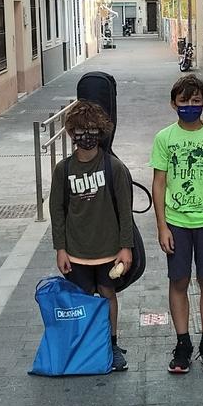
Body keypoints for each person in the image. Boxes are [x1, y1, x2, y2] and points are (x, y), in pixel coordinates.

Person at [151, 75, 203, 374]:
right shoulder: (165, 138)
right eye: (184, 101)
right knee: (179, 281)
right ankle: (183, 342)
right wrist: (162, 226)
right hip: (177, 223)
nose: (189, 106)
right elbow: (158, 184)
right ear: (174, 103)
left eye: (195, 101)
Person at [50, 101, 135, 372]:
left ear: (101, 132)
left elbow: (125, 210)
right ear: (70, 132)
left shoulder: (114, 168)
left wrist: (126, 247)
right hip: (76, 251)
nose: (85, 135)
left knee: (108, 293)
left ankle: (111, 344)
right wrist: (60, 248)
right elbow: (57, 211)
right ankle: (87, 345)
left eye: (91, 129)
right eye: (79, 130)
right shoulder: (63, 170)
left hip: (109, 249)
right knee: (83, 298)